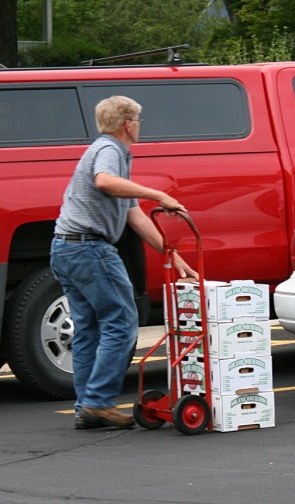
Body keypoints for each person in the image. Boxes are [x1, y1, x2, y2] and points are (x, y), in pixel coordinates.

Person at [52, 95, 196, 430]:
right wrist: (159, 194)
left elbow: (134, 216)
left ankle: (86, 407)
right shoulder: (110, 150)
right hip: (89, 249)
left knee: (88, 329)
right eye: (138, 121)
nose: (139, 127)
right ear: (127, 124)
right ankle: (98, 402)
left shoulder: (110, 155)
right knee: (122, 322)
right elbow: (104, 181)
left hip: (65, 248)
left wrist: (171, 254)